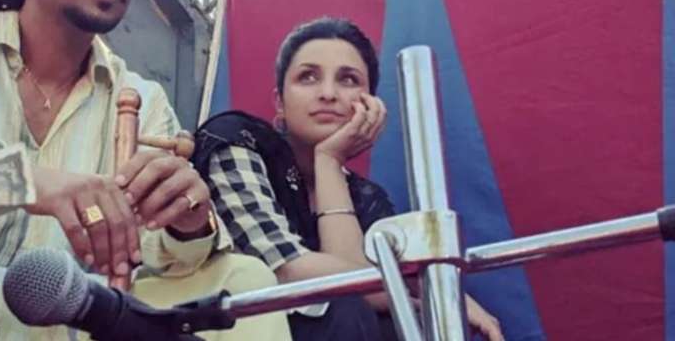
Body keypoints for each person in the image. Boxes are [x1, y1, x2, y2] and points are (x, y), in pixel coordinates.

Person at [0, 0, 290, 340]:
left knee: (244, 278)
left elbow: (162, 256)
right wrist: (26, 183)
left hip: (75, 322)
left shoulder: (144, 100)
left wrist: (188, 223)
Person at [192, 17, 503, 341]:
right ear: (280, 102)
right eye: (308, 77)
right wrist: (435, 292)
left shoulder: (366, 197)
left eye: (348, 79)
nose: (328, 93)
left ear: (370, 103)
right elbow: (289, 271)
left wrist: (328, 162)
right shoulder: (238, 140)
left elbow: (361, 294)